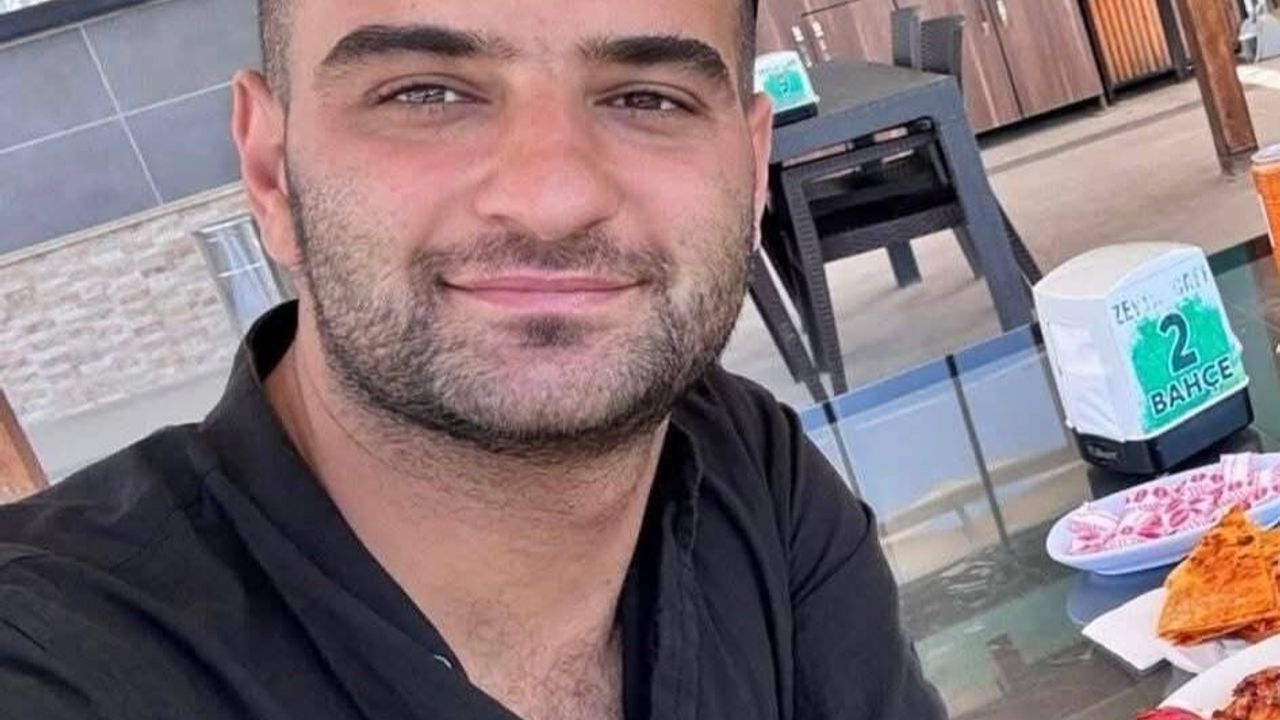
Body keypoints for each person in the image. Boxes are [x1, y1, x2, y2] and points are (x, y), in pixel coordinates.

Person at [0, 0, 946, 718]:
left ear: (749, 169)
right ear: (272, 171)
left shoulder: (748, 469)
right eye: (427, 93)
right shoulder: (58, 657)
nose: (552, 200)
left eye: (647, 98)